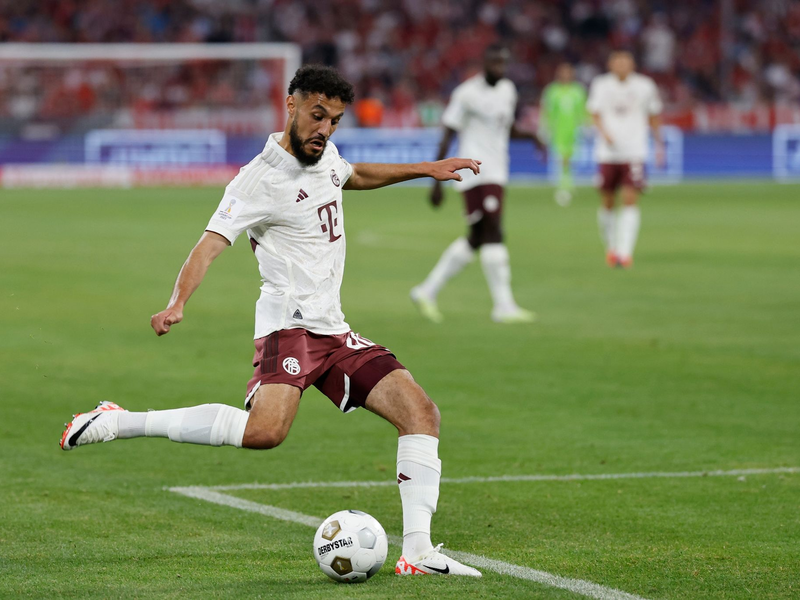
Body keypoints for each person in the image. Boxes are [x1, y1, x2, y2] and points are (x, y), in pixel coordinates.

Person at [60, 65, 482, 578]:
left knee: (421, 413)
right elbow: (209, 245)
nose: (325, 129)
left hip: (333, 327)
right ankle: (116, 421)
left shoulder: (325, 157)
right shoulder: (259, 178)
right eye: (317, 115)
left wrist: (426, 168)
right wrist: (177, 302)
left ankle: (417, 552)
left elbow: (354, 176)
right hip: (290, 327)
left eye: (335, 120)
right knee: (265, 433)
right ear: (291, 106)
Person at [410, 44, 545, 324]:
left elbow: (505, 128)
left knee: (476, 237)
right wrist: (434, 180)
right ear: (484, 63)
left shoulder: (508, 90)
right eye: (495, 62)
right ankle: (503, 306)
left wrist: (532, 137)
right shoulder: (466, 94)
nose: (499, 68)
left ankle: (426, 290)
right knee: (494, 230)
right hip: (475, 171)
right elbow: (448, 133)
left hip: (497, 169)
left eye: (503, 63)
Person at [587, 50, 664, 268]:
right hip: (607, 153)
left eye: (625, 61)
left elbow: (654, 114)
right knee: (608, 201)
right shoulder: (601, 85)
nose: (621, 65)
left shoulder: (645, 86)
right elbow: (594, 113)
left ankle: (625, 252)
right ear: (610, 64)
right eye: (617, 61)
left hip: (634, 151)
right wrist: (605, 133)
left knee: (630, 198)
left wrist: (659, 144)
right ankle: (611, 247)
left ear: (632, 64)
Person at [540, 62, 587, 206]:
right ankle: (563, 186)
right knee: (561, 160)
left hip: (574, 131)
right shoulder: (552, 91)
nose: (566, 75)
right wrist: (545, 128)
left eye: (568, 72)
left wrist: (586, 125)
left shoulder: (578, 91)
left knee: (571, 160)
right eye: (563, 72)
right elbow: (547, 111)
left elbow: (583, 110)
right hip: (558, 130)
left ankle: (569, 184)